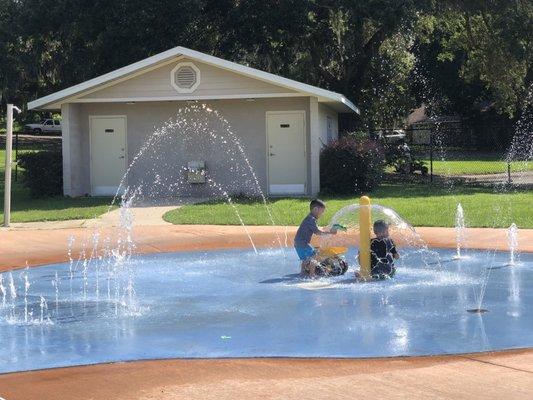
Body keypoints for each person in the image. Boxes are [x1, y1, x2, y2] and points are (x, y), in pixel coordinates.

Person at [294, 199, 337, 277]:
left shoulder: (309, 218)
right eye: (322, 211)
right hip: (303, 244)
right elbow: (317, 232)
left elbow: (315, 229)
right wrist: (330, 232)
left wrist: (326, 229)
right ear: (315, 209)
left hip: (297, 244)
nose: (322, 214)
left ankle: (302, 273)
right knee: (315, 256)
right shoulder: (311, 219)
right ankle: (312, 275)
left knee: (305, 259)